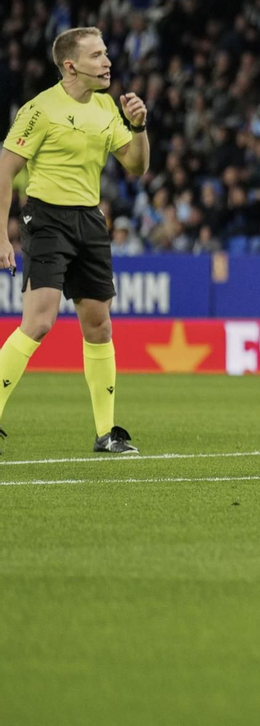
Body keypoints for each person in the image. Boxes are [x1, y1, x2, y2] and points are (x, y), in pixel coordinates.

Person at [0, 28, 148, 454]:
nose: (107, 62)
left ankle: (107, 433)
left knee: (99, 325)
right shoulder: (40, 109)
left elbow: (137, 166)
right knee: (40, 321)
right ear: (71, 65)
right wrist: (2, 236)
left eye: (106, 54)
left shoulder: (105, 108)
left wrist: (138, 127)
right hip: (45, 218)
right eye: (97, 55)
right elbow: (5, 171)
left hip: (89, 220)